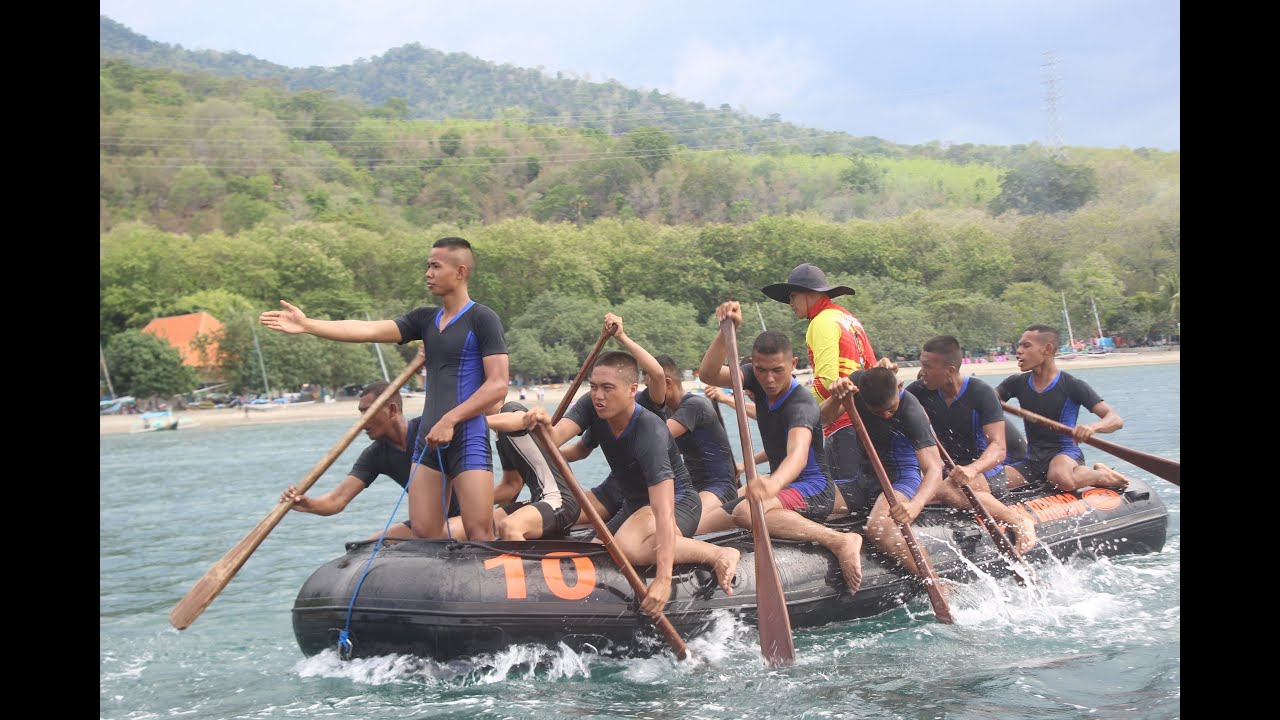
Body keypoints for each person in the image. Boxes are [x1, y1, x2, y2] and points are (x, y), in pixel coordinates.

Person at [261, 236, 510, 541]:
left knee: (479, 531)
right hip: (428, 441)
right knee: (425, 532)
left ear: (460, 272)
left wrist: (451, 420)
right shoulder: (424, 320)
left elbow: (498, 384)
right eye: (427, 266)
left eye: (435, 266)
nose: (427, 273)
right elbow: (367, 330)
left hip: (467, 437)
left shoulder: (482, 319)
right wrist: (309, 325)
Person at [521, 350, 741, 619]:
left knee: (626, 547)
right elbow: (554, 440)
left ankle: (718, 553)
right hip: (634, 506)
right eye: (594, 387)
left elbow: (663, 509)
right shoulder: (591, 405)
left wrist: (662, 579)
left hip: (677, 502)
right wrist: (542, 426)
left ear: (631, 390)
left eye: (608, 388)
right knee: (596, 552)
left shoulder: (650, 430)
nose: (598, 395)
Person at [698, 302, 864, 594]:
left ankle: (839, 540)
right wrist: (726, 333)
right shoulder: (756, 377)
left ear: (793, 364)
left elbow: (798, 456)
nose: (769, 379)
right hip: (783, 489)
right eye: (761, 371)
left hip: (813, 488)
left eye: (777, 370)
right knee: (700, 525)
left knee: (747, 513)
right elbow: (708, 375)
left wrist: (772, 483)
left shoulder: (801, 404)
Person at [761, 263, 876, 531]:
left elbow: (826, 382)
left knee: (843, 497)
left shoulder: (820, 322)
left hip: (844, 421)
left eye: (792, 296)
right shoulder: (847, 317)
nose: (790, 303)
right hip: (865, 418)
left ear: (809, 294)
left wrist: (794, 407)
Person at [279, 381, 465, 540]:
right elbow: (337, 500)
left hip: (464, 519)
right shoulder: (375, 455)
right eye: (361, 413)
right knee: (367, 547)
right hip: (425, 524)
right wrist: (308, 504)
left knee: (430, 537)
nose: (362, 422)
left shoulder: (430, 430)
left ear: (392, 410)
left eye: (367, 412)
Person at [904, 336, 1038, 555]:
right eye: (922, 365)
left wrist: (972, 469)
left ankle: (1019, 520)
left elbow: (998, 447)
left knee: (946, 489)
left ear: (949, 371)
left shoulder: (980, 392)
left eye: (928, 367)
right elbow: (889, 404)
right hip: (949, 471)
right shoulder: (919, 391)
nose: (923, 372)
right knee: (928, 488)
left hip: (985, 471)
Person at [823, 367, 945, 579]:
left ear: (900, 387)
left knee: (878, 528)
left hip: (902, 481)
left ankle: (935, 581)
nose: (886, 415)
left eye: (890, 409)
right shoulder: (857, 386)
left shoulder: (912, 412)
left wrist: (915, 505)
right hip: (863, 480)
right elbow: (822, 419)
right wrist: (837, 397)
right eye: (878, 413)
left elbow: (934, 468)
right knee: (812, 497)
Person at [997, 324, 1129, 492]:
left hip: (1065, 454)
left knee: (1059, 477)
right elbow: (987, 401)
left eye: (1026, 345)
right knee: (989, 483)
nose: (1019, 351)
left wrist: (1091, 428)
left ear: (1047, 349)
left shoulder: (1072, 385)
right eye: (1019, 345)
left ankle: (1101, 474)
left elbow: (1115, 420)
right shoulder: (1015, 382)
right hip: (1032, 461)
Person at [653, 354, 739, 534]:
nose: (647, 393)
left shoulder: (694, 406)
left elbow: (655, 438)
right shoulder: (669, 411)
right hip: (692, 488)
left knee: (673, 529)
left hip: (719, 488)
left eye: (649, 386)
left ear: (667, 383)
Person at [483, 400, 581, 540]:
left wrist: (466, 421)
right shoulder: (500, 435)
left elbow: (521, 419)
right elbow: (511, 485)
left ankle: (521, 559)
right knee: (475, 523)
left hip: (561, 502)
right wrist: (474, 504)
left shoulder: (509, 409)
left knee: (509, 526)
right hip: (537, 501)